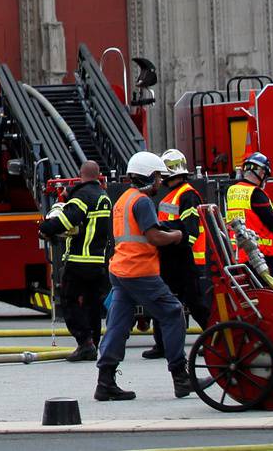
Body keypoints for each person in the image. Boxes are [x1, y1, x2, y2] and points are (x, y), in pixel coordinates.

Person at [95, 150, 192, 402]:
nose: (160, 181)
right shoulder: (142, 201)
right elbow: (154, 237)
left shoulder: (123, 200)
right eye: (158, 176)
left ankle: (105, 381)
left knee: (117, 324)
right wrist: (178, 236)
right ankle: (180, 377)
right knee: (172, 312)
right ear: (149, 176)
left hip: (120, 270)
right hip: (140, 271)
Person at [38, 159, 110, 362]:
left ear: (81, 174)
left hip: (79, 260)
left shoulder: (82, 196)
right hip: (98, 261)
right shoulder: (104, 197)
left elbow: (67, 220)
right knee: (92, 304)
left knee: (69, 301)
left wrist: (45, 228)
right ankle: (93, 342)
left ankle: (84, 343)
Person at [145, 150, 209, 359]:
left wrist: (164, 231)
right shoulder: (174, 194)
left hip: (182, 258)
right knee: (161, 301)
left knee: (195, 303)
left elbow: (190, 230)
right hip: (170, 256)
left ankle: (216, 341)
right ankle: (162, 345)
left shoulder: (187, 194)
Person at [225, 152, 273, 273]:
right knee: (268, 290)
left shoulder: (232, 190)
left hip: (240, 254)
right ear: (261, 172)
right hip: (260, 255)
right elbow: (272, 222)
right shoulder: (256, 193)